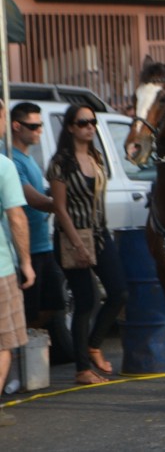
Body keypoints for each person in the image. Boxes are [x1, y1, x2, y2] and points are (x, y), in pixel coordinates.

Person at [47, 104, 127, 385]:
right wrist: (77, 243)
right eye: (83, 122)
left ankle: (94, 344)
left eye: (92, 121)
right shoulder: (60, 163)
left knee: (119, 292)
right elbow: (59, 207)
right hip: (72, 237)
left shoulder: (96, 157)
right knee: (85, 301)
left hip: (100, 233)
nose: (89, 126)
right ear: (70, 127)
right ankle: (82, 369)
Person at [9, 103, 73, 360]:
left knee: (52, 305)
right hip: (27, 248)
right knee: (29, 309)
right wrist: (61, 205)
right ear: (16, 126)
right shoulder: (11, 159)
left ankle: (28, 353)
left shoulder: (29, 159)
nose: (39, 131)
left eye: (40, 126)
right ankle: (18, 359)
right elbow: (32, 199)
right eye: (34, 126)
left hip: (42, 244)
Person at [0, 100, 33, 426]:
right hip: (0, 270)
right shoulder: (4, 166)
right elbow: (17, 218)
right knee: (2, 343)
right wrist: (26, 261)